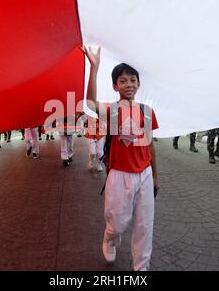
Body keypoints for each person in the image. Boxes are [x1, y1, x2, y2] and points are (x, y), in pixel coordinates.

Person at [83, 46, 159, 271]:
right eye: (123, 81)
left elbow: (151, 145)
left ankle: (141, 268)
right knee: (117, 222)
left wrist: (155, 176)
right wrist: (94, 68)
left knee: (145, 226)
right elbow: (89, 103)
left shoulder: (147, 111)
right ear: (115, 86)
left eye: (133, 80)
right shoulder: (112, 110)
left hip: (144, 174)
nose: (129, 85)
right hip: (118, 174)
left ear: (139, 84)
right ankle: (110, 238)